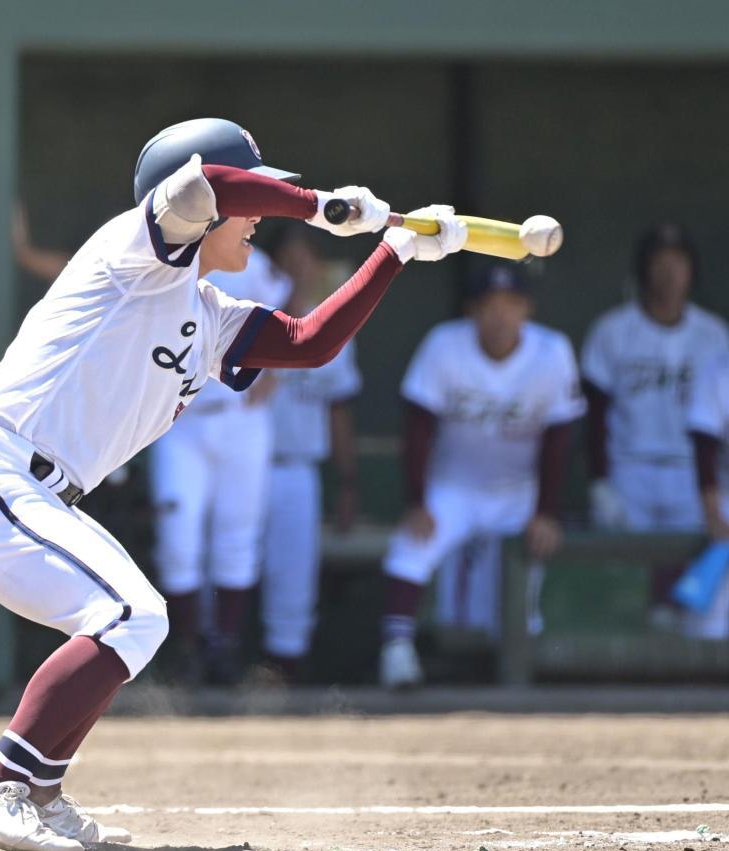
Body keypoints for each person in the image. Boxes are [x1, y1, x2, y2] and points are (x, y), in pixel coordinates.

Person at [0, 117, 467, 851]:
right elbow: (212, 184)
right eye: (251, 209)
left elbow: (310, 343)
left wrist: (393, 251)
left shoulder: (205, 311)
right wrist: (319, 204)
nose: (256, 226)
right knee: (131, 613)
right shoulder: (133, 251)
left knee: (133, 618)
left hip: (27, 492)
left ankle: (37, 789)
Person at [379, 264, 584, 689]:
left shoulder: (552, 352)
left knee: (521, 597)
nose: (500, 316)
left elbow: (559, 439)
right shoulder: (444, 345)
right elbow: (417, 427)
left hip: (518, 491)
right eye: (489, 305)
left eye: (510, 305)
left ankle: (515, 678)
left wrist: (547, 511)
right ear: (472, 310)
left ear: (527, 309)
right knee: (409, 549)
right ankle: (397, 651)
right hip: (455, 486)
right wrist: (417, 501)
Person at [149, 247, 292, 685]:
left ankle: (224, 647)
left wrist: (276, 368)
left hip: (240, 419)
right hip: (180, 423)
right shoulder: (161, 255)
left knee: (238, 534)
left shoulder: (252, 259)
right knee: (178, 538)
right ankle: (188, 648)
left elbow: (287, 315)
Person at [258, 226, 362, 682]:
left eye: (307, 261)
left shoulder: (335, 328)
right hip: (242, 467)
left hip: (297, 468)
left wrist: (347, 484)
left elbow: (339, 410)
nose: (300, 272)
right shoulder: (248, 318)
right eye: (289, 262)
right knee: (220, 567)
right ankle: (210, 666)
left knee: (294, 580)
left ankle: (284, 675)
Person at [581, 223, 729, 532]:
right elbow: (594, 414)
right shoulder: (612, 330)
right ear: (644, 269)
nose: (669, 273)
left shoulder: (714, 334)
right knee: (628, 574)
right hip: (630, 469)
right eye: (660, 262)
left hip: (693, 470)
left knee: (695, 572)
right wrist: (599, 481)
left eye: (678, 262)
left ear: (692, 271)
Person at [682, 355, 729, 639]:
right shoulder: (719, 372)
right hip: (726, 498)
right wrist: (712, 512)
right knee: (712, 616)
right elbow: (704, 445)